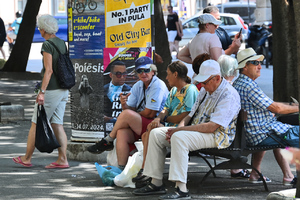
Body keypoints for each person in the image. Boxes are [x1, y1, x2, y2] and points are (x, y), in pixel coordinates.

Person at [133, 60, 241, 199]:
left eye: (205, 82)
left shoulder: (228, 94)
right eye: (201, 82)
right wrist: (178, 128)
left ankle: (181, 189)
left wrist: (179, 131)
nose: (203, 86)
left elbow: (212, 127)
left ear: (217, 78)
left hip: (217, 135)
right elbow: (190, 115)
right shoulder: (204, 90)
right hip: (198, 130)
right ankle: (156, 182)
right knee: (155, 133)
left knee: (179, 138)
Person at [87, 56, 169, 170]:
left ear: (153, 71)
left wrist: (131, 114)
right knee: (121, 132)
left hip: (157, 124)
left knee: (126, 115)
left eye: (146, 70)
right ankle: (121, 169)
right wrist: (125, 105)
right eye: (140, 71)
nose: (143, 73)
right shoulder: (138, 85)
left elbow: (150, 114)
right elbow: (130, 110)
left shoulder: (157, 85)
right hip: (144, 124)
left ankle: (108, 140)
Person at [233, 48, 299, 185]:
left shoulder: (239, 83)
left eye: (259, 62)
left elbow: (270, 105)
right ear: (245, 66)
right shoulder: (248, 85)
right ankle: (293, 179)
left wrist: (289, 106)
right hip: (261, 133)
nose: (260, 66)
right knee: (294, 134)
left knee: (280, 130)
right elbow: (277, 108)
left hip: (252, 131)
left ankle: (263, 174)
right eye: (255, 63)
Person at [12, 14, 69, 169]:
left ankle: (27, 158)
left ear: (43, 29)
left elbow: (49, 71)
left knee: (35, 124)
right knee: (57, 124)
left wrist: (42, 92)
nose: (39, 30)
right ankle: (62, 159)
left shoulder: (47, 45)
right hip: (64, 89)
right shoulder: (61, 43)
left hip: (51, 90)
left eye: (39, 27)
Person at [133, 61, 199, 185]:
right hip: (169, 126)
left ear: (175, 74)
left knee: (150, 133)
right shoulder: (174, 90)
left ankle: (147, 173)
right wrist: (158, 119)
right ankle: (147, 171)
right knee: (147, 134)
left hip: (182, 129)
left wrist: (164, 119)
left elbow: (186, 115)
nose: (166, 78)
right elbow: (165, 109)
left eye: (168, 74)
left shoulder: (191, 90)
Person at [218, 54, 250, 178]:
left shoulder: (217, 86)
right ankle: (238, 169)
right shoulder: (230, 88)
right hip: (230, 138)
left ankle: (237, 169)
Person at [103, 61, 131, 136]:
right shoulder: (103, 89)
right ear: (111, 75)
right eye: (118, 74)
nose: (122, 77)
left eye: (124, 74)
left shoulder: (130, 90)